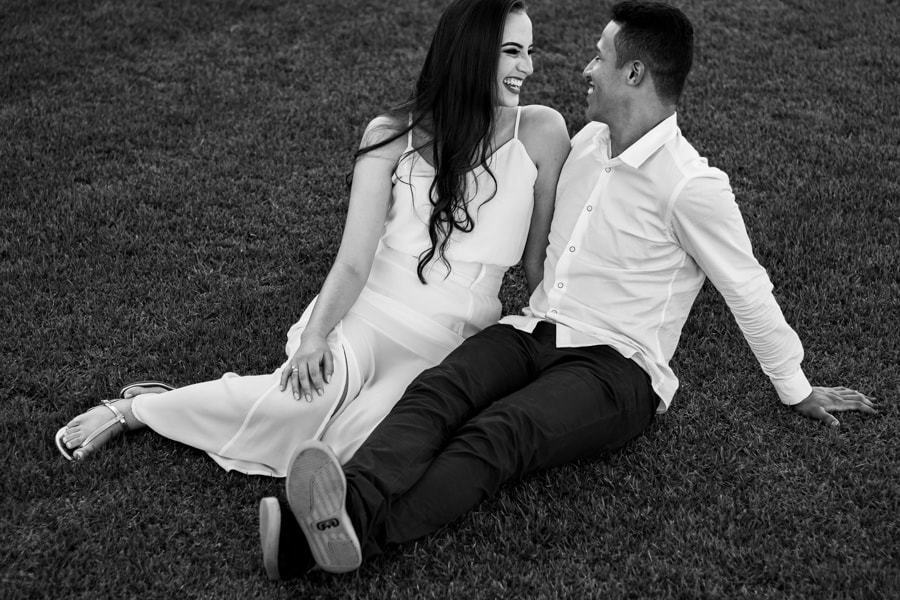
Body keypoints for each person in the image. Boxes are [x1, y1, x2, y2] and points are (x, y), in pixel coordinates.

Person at [261, 0, 877, 578]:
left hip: (616, 367)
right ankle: (343, 504)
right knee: (438, 391)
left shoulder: (693, 186)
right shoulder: (584, 145)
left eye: (600, 56)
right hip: (534, 328)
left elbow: (748, 287)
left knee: (500, 435)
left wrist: (795, 387)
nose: (585, 67)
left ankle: (336, 540)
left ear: (634, 72)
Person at [55, 0, 570, 478]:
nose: (527, 66)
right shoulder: (391, 134)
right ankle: (136, 410)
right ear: (471, 53)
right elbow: (353, 260)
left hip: (450, 340)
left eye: (529, 52)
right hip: (370, 310)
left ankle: (261, 438)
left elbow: (537, 265)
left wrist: (565, 344)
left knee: (363, 442)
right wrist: (317, 336)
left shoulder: (542, 132)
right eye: (511, 52)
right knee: (299, 403)